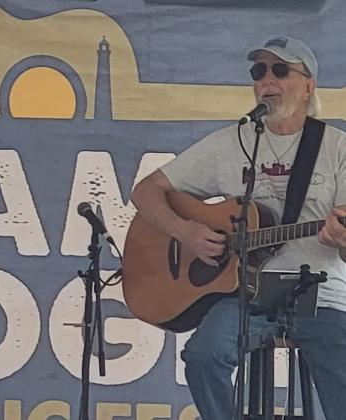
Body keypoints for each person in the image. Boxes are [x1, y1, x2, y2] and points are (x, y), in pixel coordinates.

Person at [130, 36, 346, 419]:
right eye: (258, 71)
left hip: (319, 294)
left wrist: (341, 239)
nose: (267, 80)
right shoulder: (231, 143)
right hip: (243, 293)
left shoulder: (337, 148)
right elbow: (146, 192)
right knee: (201, 357)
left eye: (280, 70)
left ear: (309, 85)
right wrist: (184, 232)